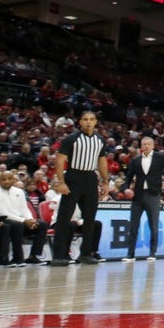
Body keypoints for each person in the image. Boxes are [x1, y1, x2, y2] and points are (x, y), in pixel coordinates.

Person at [50, 110, 108, 266]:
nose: (88, 122)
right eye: (85, 119)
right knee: (64, 217)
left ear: (96, 122)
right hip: (73, 176)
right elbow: (60, 160)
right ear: (80, 122)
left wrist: (106, 182)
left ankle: (86, 254)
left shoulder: (100, 140)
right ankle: (58, 255)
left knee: (90, 218)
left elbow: (102, 162)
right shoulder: (71, 139)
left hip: (90, 178)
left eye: (91, 119)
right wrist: (61, 181)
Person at [120, 135, 164, 262]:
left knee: (153, 225)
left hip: (153, 195)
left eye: (148, 144)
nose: (146, 146)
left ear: (153, 145)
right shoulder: (136, 160)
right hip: (138, 196)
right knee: (133, 226)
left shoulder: (159, 157)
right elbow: (128, 177)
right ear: (141, 146)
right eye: (143, 144)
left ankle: (152, 253)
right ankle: (130, 254)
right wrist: (125, 189)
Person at [0, 169, 49, 266]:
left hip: (21, 221)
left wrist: (30, 219)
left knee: (42, 224)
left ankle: (33, 256)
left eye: (9, 179)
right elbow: (3, 212)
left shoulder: (19, 191)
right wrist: (24, 221)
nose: (7, 181)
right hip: (7, 221)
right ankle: (17, 258)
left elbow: (24, 209)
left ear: (13, 180)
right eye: (4, 179)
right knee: (17, 225)